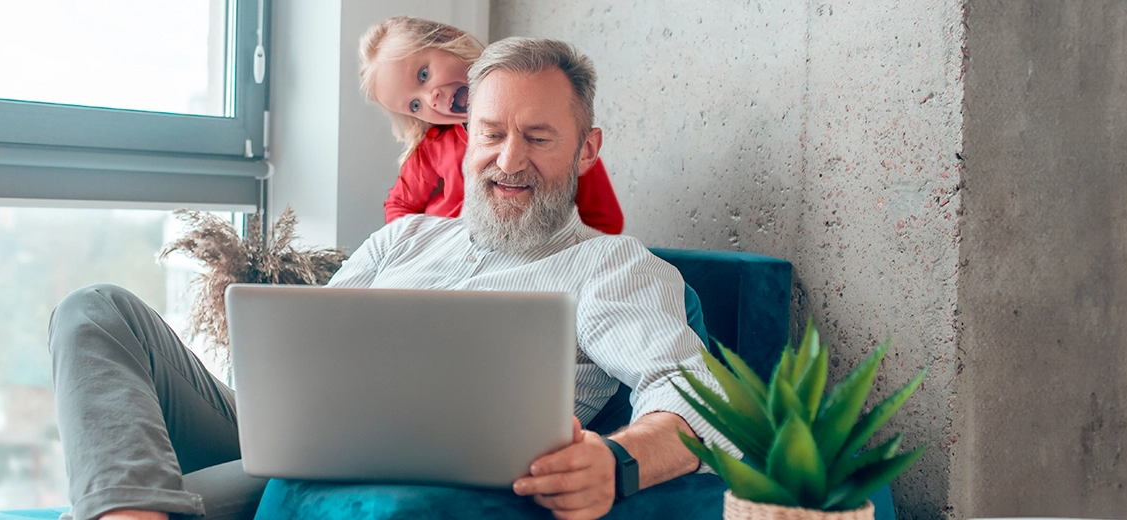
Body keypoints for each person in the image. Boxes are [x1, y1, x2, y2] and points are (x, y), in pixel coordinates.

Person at [49, 38, 730, 520]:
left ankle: (126, 506)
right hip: (287, 434)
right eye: (491, 133)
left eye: (539, 137)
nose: (509, 159)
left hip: (392, 477)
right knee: (96, 309)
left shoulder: (612, 266)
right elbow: (308, 346)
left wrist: (621, 460)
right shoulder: (405, 236)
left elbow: (694, 393)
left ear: (587, 149)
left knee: (144, 493)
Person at [358, 16, 626, 234]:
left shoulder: (558, 134)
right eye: (415, 105)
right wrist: (419, 246)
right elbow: (400, 204)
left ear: (451, 38)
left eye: (424, 74)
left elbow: (605, 221)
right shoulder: (434, 147)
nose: (431, 98)